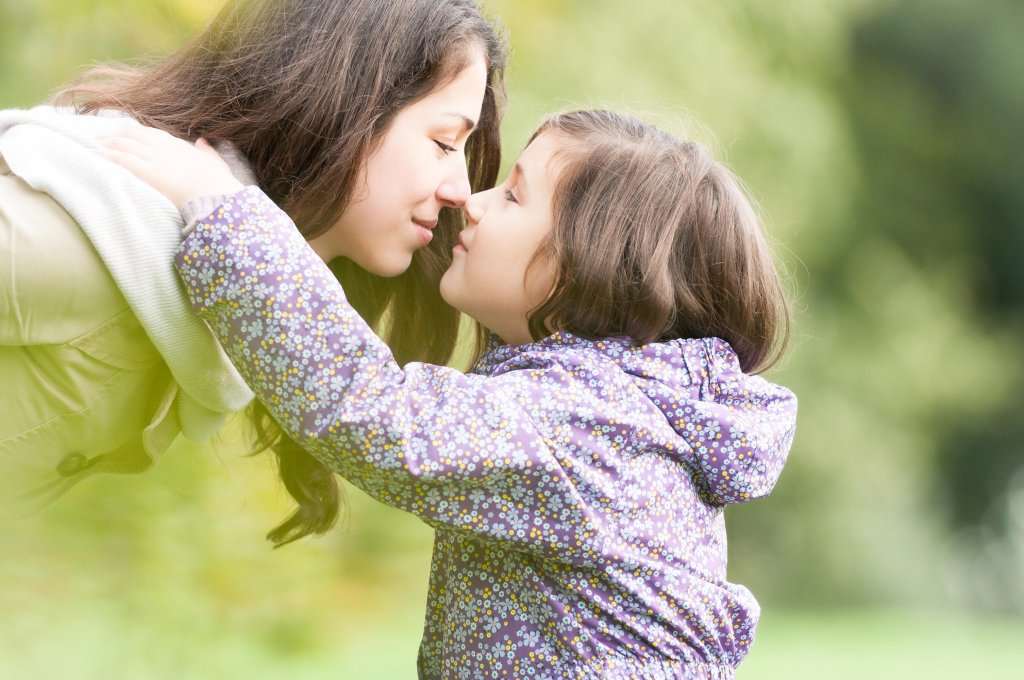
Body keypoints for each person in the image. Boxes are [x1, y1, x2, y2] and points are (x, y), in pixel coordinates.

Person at [104, 108, 797, 677]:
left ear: (590, 269)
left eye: (515, 194)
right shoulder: (614, 409)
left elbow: (372, 411)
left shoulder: (591, 427)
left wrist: (222, 210)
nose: (471, 198)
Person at [0, 0, 507, 545]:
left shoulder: (221, 298)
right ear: (341, 106)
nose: (461, 190)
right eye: (444, 142)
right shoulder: (105, 232)